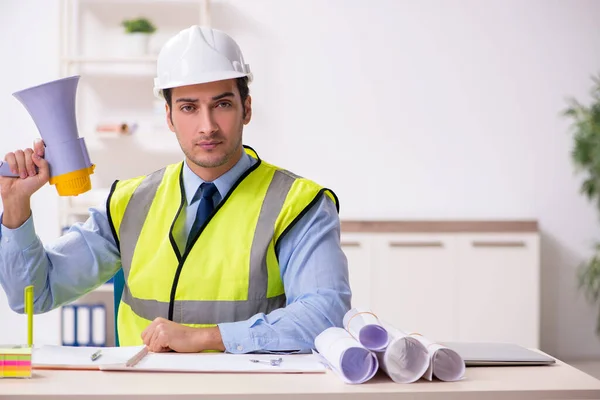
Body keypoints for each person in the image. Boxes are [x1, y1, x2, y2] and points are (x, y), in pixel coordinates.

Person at [0, 25, 351, 354]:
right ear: (169, 116)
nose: (207, 126)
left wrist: (206, 337)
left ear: (246, 108)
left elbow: (325, 315)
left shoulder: (299, 205)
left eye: (222, 104)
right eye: (188, 107)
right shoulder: (129, 203)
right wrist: (15, 207)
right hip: (144, 392)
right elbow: (34, 295)